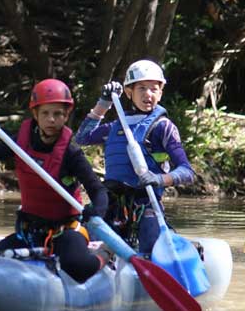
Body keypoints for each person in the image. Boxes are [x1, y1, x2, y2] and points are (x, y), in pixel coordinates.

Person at [0, 79, 110, 284]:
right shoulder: (20, 142)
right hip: (29, 231)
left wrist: (97, 213)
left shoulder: (71, 151)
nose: (51, 119)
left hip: (65, 230)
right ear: (35, 115)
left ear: (66, 115)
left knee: (78, 268)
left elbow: (98, 189)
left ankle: (104, 253)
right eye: (45, 113)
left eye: (58, 114)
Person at [75, 59, 195, 255]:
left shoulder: (163, 127)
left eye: (154, 89)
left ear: (161, 93)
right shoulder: (116, 126)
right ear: (129, 92)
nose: (148, 94)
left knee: (149, 243)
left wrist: (159, 179)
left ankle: (152, 256)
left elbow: (187, 172)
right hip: (113, 202)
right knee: (86, 233)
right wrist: (103, 103)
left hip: (145, 202)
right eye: (142, 88)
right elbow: (82, 138)